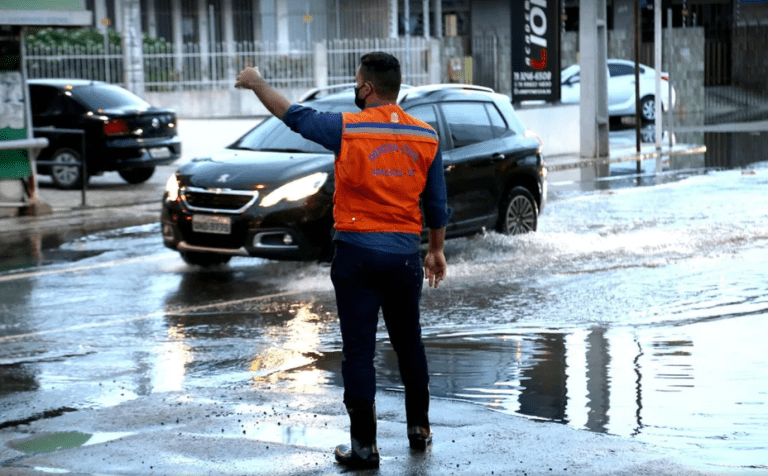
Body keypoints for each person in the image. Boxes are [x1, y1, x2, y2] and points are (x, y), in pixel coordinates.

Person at [235, 51, 449, 469]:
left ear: (366, 88)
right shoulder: (426, 136)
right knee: (409, 344)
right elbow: (437, 203)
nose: (354, 88)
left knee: (358, 352)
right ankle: (419, 429)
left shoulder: (346, 129)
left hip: (356, 256)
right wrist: (436, 250)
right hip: (405, 256)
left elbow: (292, 115)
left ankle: (364, 448)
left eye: (356, 82)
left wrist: (257, 82)